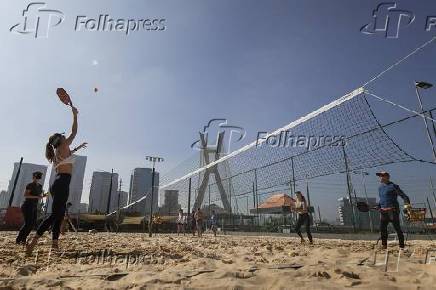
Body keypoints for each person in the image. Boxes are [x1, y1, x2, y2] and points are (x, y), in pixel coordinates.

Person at [27, 96, 87, 254]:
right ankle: (33, 241)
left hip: (59, 183)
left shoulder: (57, 151)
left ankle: (54, 245)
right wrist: (74, 115)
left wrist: (78, 148)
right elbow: (74, 131)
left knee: (58, 215)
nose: (64, 136)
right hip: (62, 183)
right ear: (59, 140)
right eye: (62, 136)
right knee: (55, 215)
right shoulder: (63, 145)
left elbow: (68, 156)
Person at [376, 171, 411, 249]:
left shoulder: (393, 186)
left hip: (393, 211)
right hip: (383, 212)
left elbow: (405, 197)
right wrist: (378, 206)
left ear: (387, 177)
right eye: (379, 175)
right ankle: (384, 246)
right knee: (383, 229)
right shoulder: (380, 187)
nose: (380, 177)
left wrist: (406, 207)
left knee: (397, 229)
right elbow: (382, 199)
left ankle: (401, 246)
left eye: (382, 175)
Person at [16, 172, 46, 245]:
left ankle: (23, 239)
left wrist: (44, 195)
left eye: (38, 177)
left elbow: (39, 196)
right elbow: (26, 195)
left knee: (32, 224)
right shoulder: (30, 185)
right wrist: (37, 197)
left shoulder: (40, 186)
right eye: (35, 177)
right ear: (33, 177)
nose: (36, 179)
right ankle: (19, 239)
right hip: (27, 205)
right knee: (28, 223)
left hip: (34, 206)